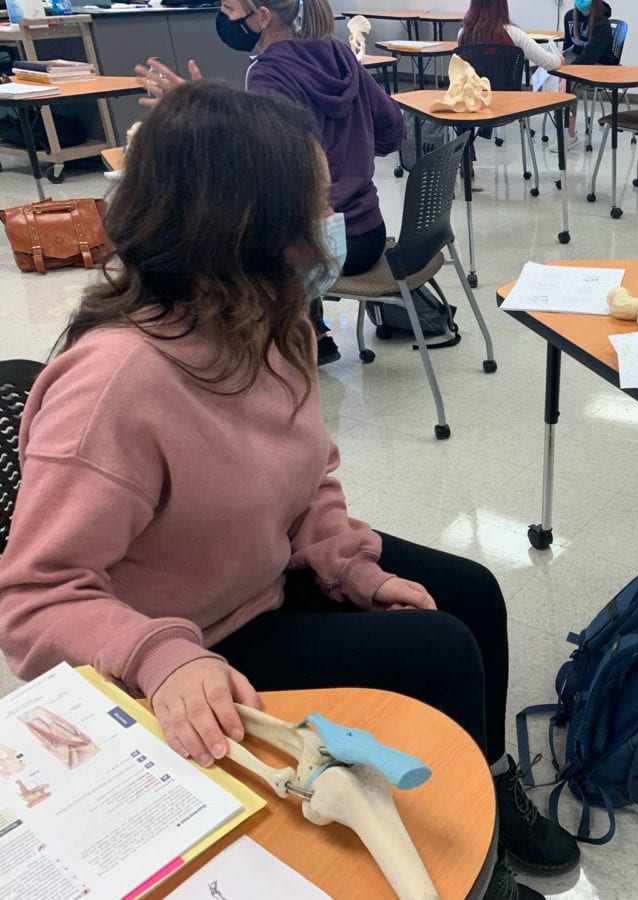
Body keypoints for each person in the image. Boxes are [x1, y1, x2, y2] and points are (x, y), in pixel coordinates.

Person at [0, 82, 575, 900]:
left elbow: (309, 477)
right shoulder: (116, 386)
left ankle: (485, 784)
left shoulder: (274, 322)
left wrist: (353, 567)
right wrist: (161, 657)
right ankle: (473, 875)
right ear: (248, 229)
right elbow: (31, 600)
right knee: (438, 650)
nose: (332, 223)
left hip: (260, 574)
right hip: (188, 647)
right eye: (316, 206)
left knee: (472, 593)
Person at [136, 0, 406, 367]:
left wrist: (197, 116)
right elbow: (392, 132)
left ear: (262, 17)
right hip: (369, 233)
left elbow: (270, 174)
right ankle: (313, 331)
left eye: (229, 9)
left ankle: (278, 344)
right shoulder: (341, 55)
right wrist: (351, 145)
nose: (223, 18)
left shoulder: (268, 73)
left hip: (323, 248)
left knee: (220, 234)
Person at [560, 0, 617, 145]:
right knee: (553, 74)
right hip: (577, 60)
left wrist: (568, 74)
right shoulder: (569, 17)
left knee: (569, 84)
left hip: (600, 64)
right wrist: (559, 61)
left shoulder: (602, 23)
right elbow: (568, 47)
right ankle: (561, 124)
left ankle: (570, 135)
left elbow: (590, 56)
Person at [459, 0, 564, 72]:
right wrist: (559, 59)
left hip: (473, 96)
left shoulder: (463, 34)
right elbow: (548, 63)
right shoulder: (514, 34)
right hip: (508, 96)